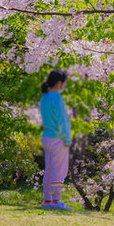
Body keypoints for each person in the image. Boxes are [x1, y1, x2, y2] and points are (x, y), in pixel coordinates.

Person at [39, 69, 73, 210]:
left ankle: (47, 200)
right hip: (58, 138)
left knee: (50, 169)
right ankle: (56, 200)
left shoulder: (45, 97)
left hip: (47, 137)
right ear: (60, 83)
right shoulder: (56, 98)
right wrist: (67, 138)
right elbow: (62, 120)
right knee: (60, 169)